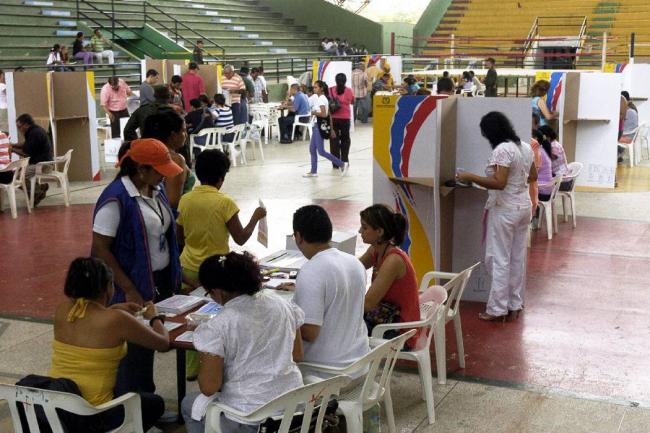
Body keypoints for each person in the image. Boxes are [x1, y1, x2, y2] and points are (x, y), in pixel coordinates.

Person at [91, 138, 182, 395]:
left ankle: (145, 402)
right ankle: (133, 409)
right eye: (159, 171)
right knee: (132, 354)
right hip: (129, 286)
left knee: (147, 346)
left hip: (157, 281)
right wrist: (129, 288)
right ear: (141, 169)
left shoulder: (155, 189)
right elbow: (100, 249)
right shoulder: (116, 200)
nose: (164, 176)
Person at [181, 252, 304, 433]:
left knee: (189, 404)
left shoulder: (218, 326)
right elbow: (297, 354)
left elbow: (209, 387)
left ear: (217, 292)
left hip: (250, 418)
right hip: (295, 408)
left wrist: (205, 357)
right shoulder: (283, 305)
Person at [50, 257, 168, 431]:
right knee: (155, 404)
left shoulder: (63, 310)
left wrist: (113, 310)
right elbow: (163, 343)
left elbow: (90, 322)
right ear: (107, 287)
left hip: (58, 405)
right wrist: (155, 318)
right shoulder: (117, 320)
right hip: (94, 413)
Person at [456, 112, 537, 322]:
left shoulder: (502, 150)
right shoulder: (525, 147)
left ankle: (497, 309)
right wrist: (516, 181)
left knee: (498, 258)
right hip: (523, 206)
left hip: (505, 209)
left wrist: (469, 177)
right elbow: (534, 176)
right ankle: (514, 303)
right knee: (517, 258)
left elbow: (499, 182)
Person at [292, 205, 369, 372]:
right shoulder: (354, 263)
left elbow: (309, 332)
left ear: (298, 236)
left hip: (326, 373)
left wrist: (284, 317)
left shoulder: (311, 270)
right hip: (361, 367)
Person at [358, 204, 421, 349]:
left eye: (365, 227)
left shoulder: (393, 260)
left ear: (379, 231)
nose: (360, 231)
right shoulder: (377, 249)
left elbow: (368, 304)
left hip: (400, 331)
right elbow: (354, 268)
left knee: (338, 328)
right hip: (386, 317)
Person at [141, 111, 193, 209]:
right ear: (173, 135)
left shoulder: (144, 153)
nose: (185, 135)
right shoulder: (176, 159)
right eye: (183, 130)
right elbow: (173, 201)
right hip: (171, 216)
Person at [303, 80, 346, 177]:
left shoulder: (322, 99)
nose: (314, 89)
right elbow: (329, 115)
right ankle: (313, 171)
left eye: (316, 87)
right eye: (313, 87)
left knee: (321, 151)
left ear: (321, 88)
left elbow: (324, 114)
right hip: (316, 125)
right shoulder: (320, 98)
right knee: (312, 149)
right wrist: (331, 129)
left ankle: (342, 164)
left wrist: (314, 113)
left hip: (319, 126)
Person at [12, 114, 53, 205]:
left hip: (43, 165)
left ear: (26, 125)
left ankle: (37, 193)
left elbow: (26, 154)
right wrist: (13, 145)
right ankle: (40, 188)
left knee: (16, 177)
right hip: (41, 163)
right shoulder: (34, 131)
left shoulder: (35, 133)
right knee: (16, 172)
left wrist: (12, 149)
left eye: (19, 127)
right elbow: (26, 144)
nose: (19, 129)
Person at [329, 73, 355, 168]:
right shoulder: (349, 91)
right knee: (345, 139)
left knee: (334, 140)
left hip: (333, 118)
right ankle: (345, 160)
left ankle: (335, 163)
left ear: (336, 80)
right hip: (345, 118)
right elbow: (352, 102)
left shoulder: (330, 90)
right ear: (345, 81)